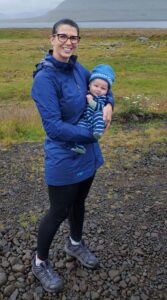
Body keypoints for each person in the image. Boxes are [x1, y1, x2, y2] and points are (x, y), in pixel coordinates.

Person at [31, 18, 114, 293]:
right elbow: (53, 127)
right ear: (52, 38)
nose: (69, 42)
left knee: (79, 202)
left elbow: (103, 87)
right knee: (58, 211)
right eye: (63, 36)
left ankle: (74, 244)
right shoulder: (44, 79)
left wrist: (109, 106)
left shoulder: (77, 68)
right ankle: (40, 262)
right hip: (64, 157)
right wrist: (91, 135)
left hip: (87, 154)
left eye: (74, 37)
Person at [71, 64, 115, 154]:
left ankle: (97, 132)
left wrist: (91, 101)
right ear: (89, 85)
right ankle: (80, 146)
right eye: (96, 86)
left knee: (99, 116)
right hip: (86, 118)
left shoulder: (101, 98)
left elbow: (99, 107)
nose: (98, 90)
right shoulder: (88, 93)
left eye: (103, 88)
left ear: (107, 91)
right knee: (80, 127)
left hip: (95, 117)